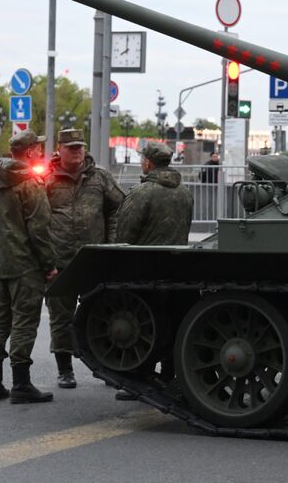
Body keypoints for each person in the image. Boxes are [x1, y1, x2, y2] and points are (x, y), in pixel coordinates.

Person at [112, 142, 195, 400]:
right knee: (173, 319)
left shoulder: (142, 193)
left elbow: (125, 235)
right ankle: (170, 374)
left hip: (144, 269)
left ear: (148, 163)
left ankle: (141, 376)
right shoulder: (184, 192)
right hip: (177, 268)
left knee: (143, 325)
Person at [44, 128, 124, 389]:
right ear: (60, 149)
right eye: (71, 147)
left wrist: (111, 245)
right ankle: (65, 369)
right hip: (60, 261)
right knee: (60, 316)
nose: (77, 151)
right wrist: (46, 261)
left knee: (105, 314)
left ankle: (110, 368)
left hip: (94, 260)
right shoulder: (47, 179)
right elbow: (34, 220)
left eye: (80, 146)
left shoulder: (99, 177)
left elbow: (118, 208)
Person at [0, 130, 58, 404]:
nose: (40, 151)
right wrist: (49, 265)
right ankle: (21, 385)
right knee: (25, 323)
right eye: (37, 148)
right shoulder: (30, 183)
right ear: (28, 152)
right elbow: (40, 229)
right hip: (25, 266)